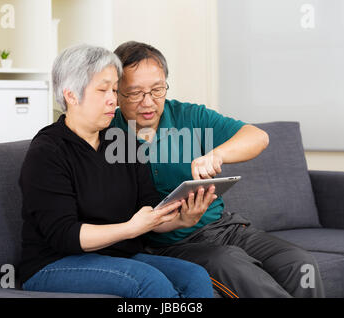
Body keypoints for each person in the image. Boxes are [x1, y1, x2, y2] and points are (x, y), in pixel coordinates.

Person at [110, 41, 325, 298]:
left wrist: (217, 154)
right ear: (117, 92)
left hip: (224, 228)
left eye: (157, 90)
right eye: (135, 93)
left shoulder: (190, 116)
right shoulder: (107, 132)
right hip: (167, 244)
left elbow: (258, 137)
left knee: (301, 263)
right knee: (230, 263)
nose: (148, 102)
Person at [18, 43, 214, 298]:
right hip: (54, 263)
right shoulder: (48, 151)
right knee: (148, 281)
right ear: (71, 95)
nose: (113, 99)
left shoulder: (124, 142)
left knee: (194, 276)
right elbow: (65, 236)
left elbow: (150, 209)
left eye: (114, 89)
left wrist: (183, 218)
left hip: (118, 257)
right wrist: (131, 229)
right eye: (102, 90)